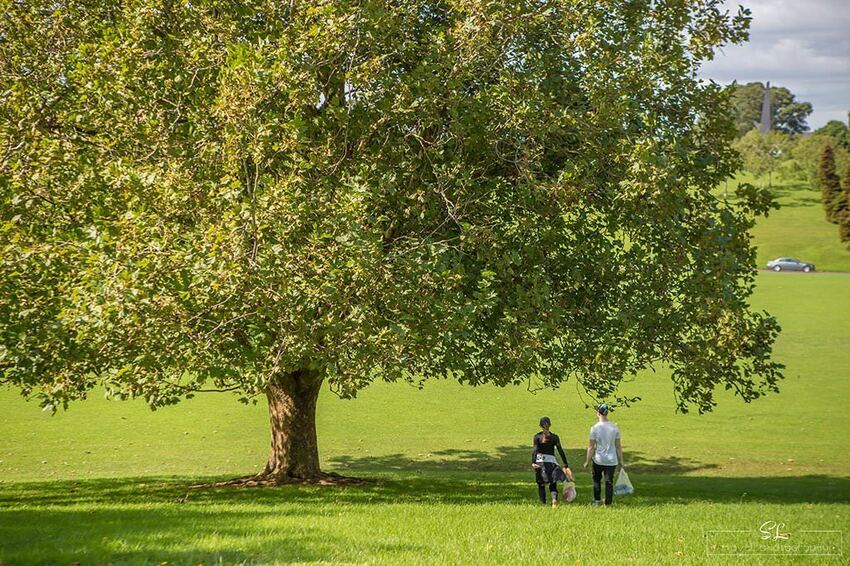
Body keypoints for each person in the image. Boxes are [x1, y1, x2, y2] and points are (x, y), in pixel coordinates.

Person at [583, 404, 625, 506]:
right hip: (611, 460)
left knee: (596, 479)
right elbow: (618, 446)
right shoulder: (614, 428)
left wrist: (587, 461)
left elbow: (591, 447)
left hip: (599, 459)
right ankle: (608, 503)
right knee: (609, 481)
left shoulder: (594, 428)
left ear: (598, 413)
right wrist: (621, 461)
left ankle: (597, 500)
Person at [532, 416, 574, 507]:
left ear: (540, 426)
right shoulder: (554, 437)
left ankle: (543, 503)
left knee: (541, 484)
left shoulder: (537, 437)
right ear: (550, 425)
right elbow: (560, 451)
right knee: (552, 482)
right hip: (551, 461)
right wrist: (565, 465)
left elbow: (535, 450)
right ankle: (554, 500)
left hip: (540, 461)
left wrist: (533, 462)